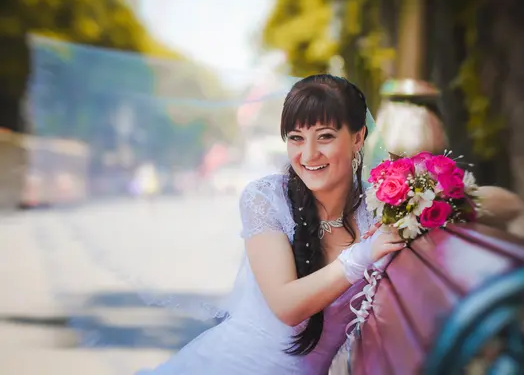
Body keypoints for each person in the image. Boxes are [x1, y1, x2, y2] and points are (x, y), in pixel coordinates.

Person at [136, 74, 405, 375]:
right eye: (296, 138)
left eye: (325, 136)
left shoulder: (384, 209)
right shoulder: (266, 198)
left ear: (358, 138)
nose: (309, 154)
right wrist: (363, 254)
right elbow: (286, 305)